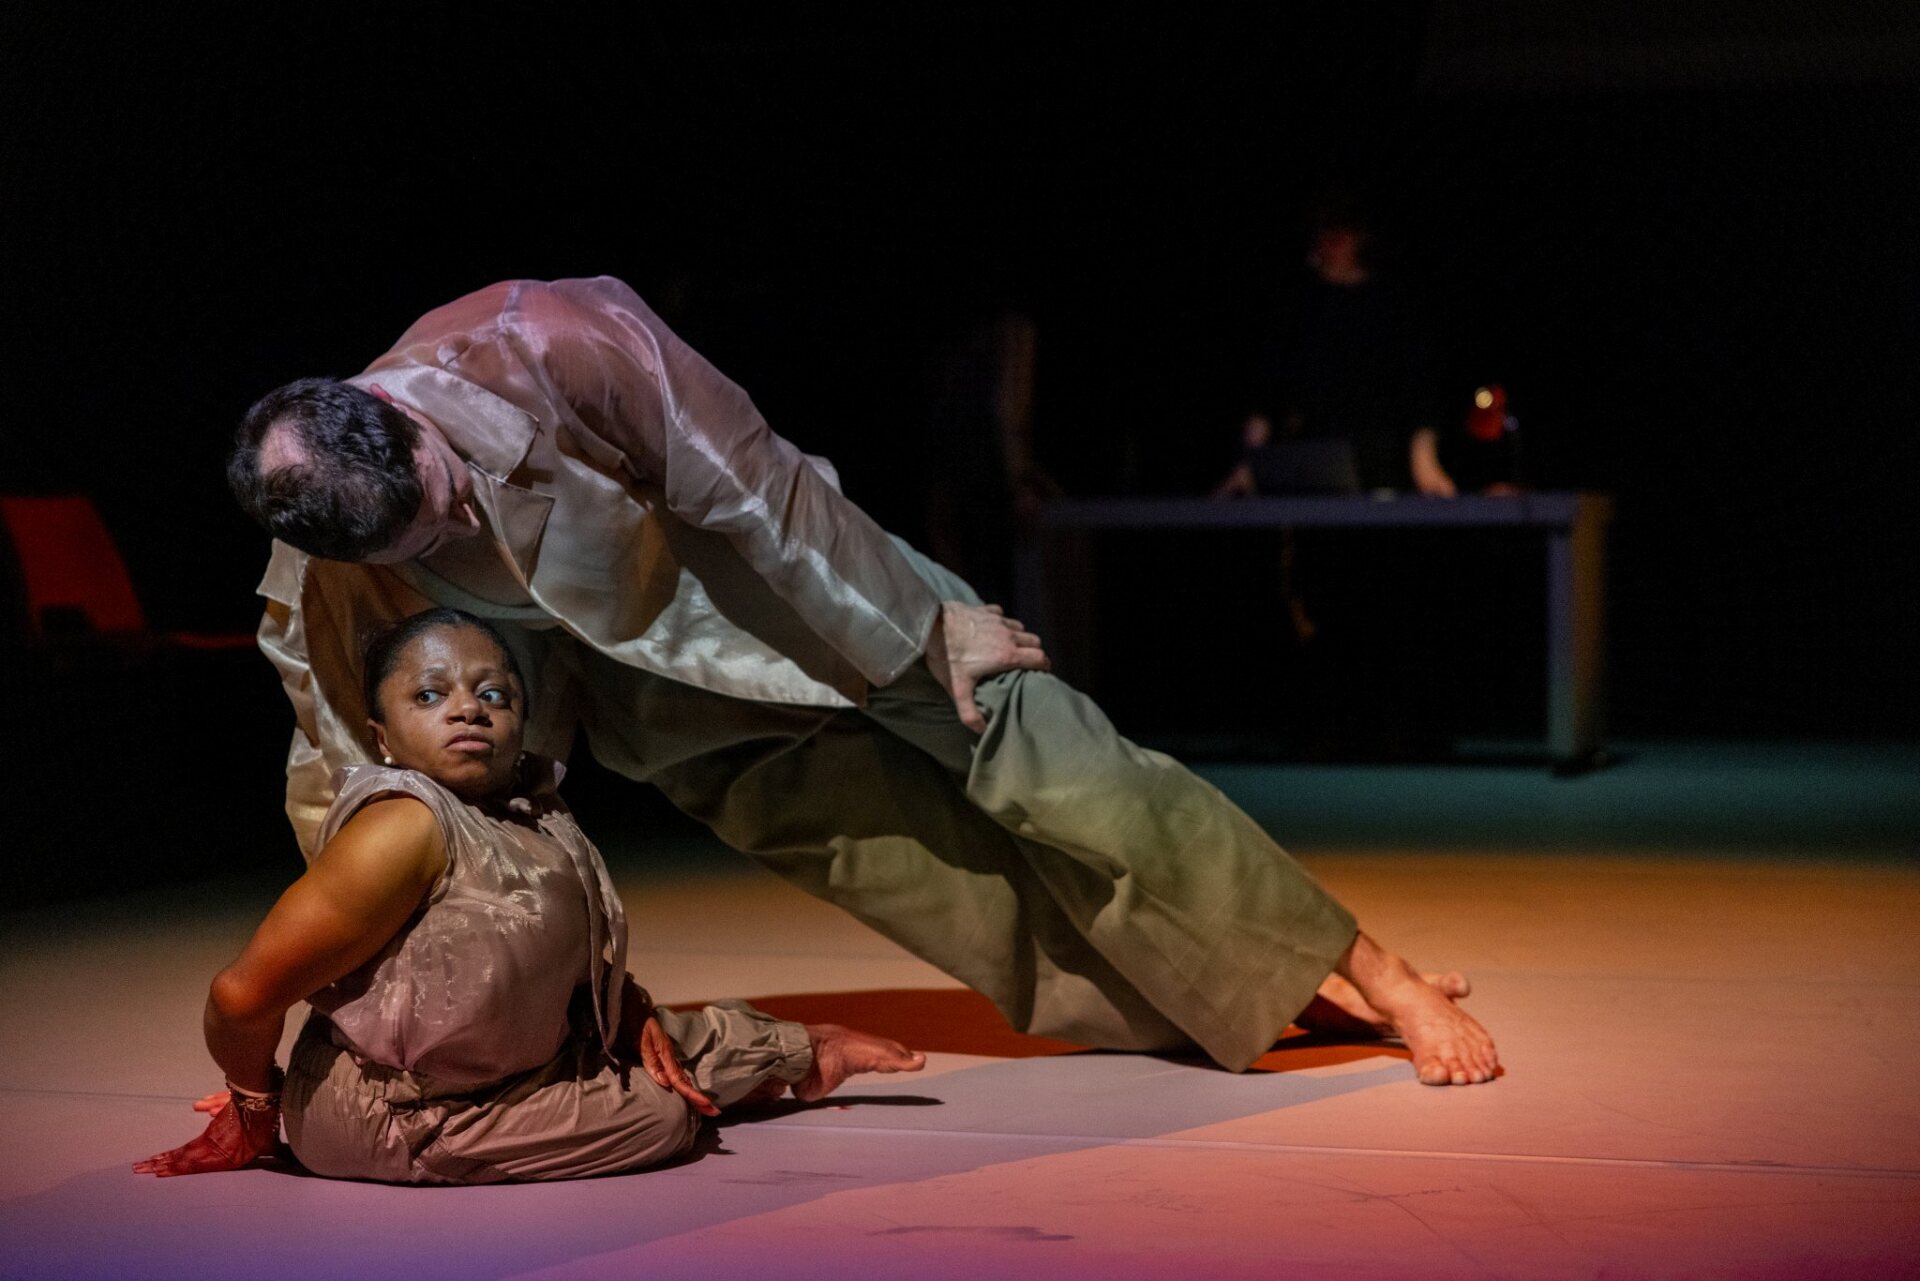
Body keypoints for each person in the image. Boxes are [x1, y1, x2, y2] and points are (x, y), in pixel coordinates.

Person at [226, 275, 1497, 1085]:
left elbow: (762, 494)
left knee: (1081, 784)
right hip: (657, 706)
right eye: (419, 549)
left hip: (818, 599)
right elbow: (337, 762)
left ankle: (1373, 967)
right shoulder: (319, 554)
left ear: (397, 416)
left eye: (446, 503)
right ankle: (1270, 994)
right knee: (944, 891)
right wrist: (336, 990)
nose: (447, 538)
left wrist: (919, 636)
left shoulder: (554, 337)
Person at [135, 608, 925, 1183]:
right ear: (382, 734)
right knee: (663, 1115)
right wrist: (255, 1100)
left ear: (522, 717)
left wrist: (631, 1003)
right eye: (430, 695)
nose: (468, 708)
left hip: (513, 1058)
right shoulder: (403, 828)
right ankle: (773, 1059)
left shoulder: (534, 809)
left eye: (493, 693)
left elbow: (552, 953)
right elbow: (242, 995)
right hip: (413, 1114)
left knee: (641, 1037)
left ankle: (802, 1052)